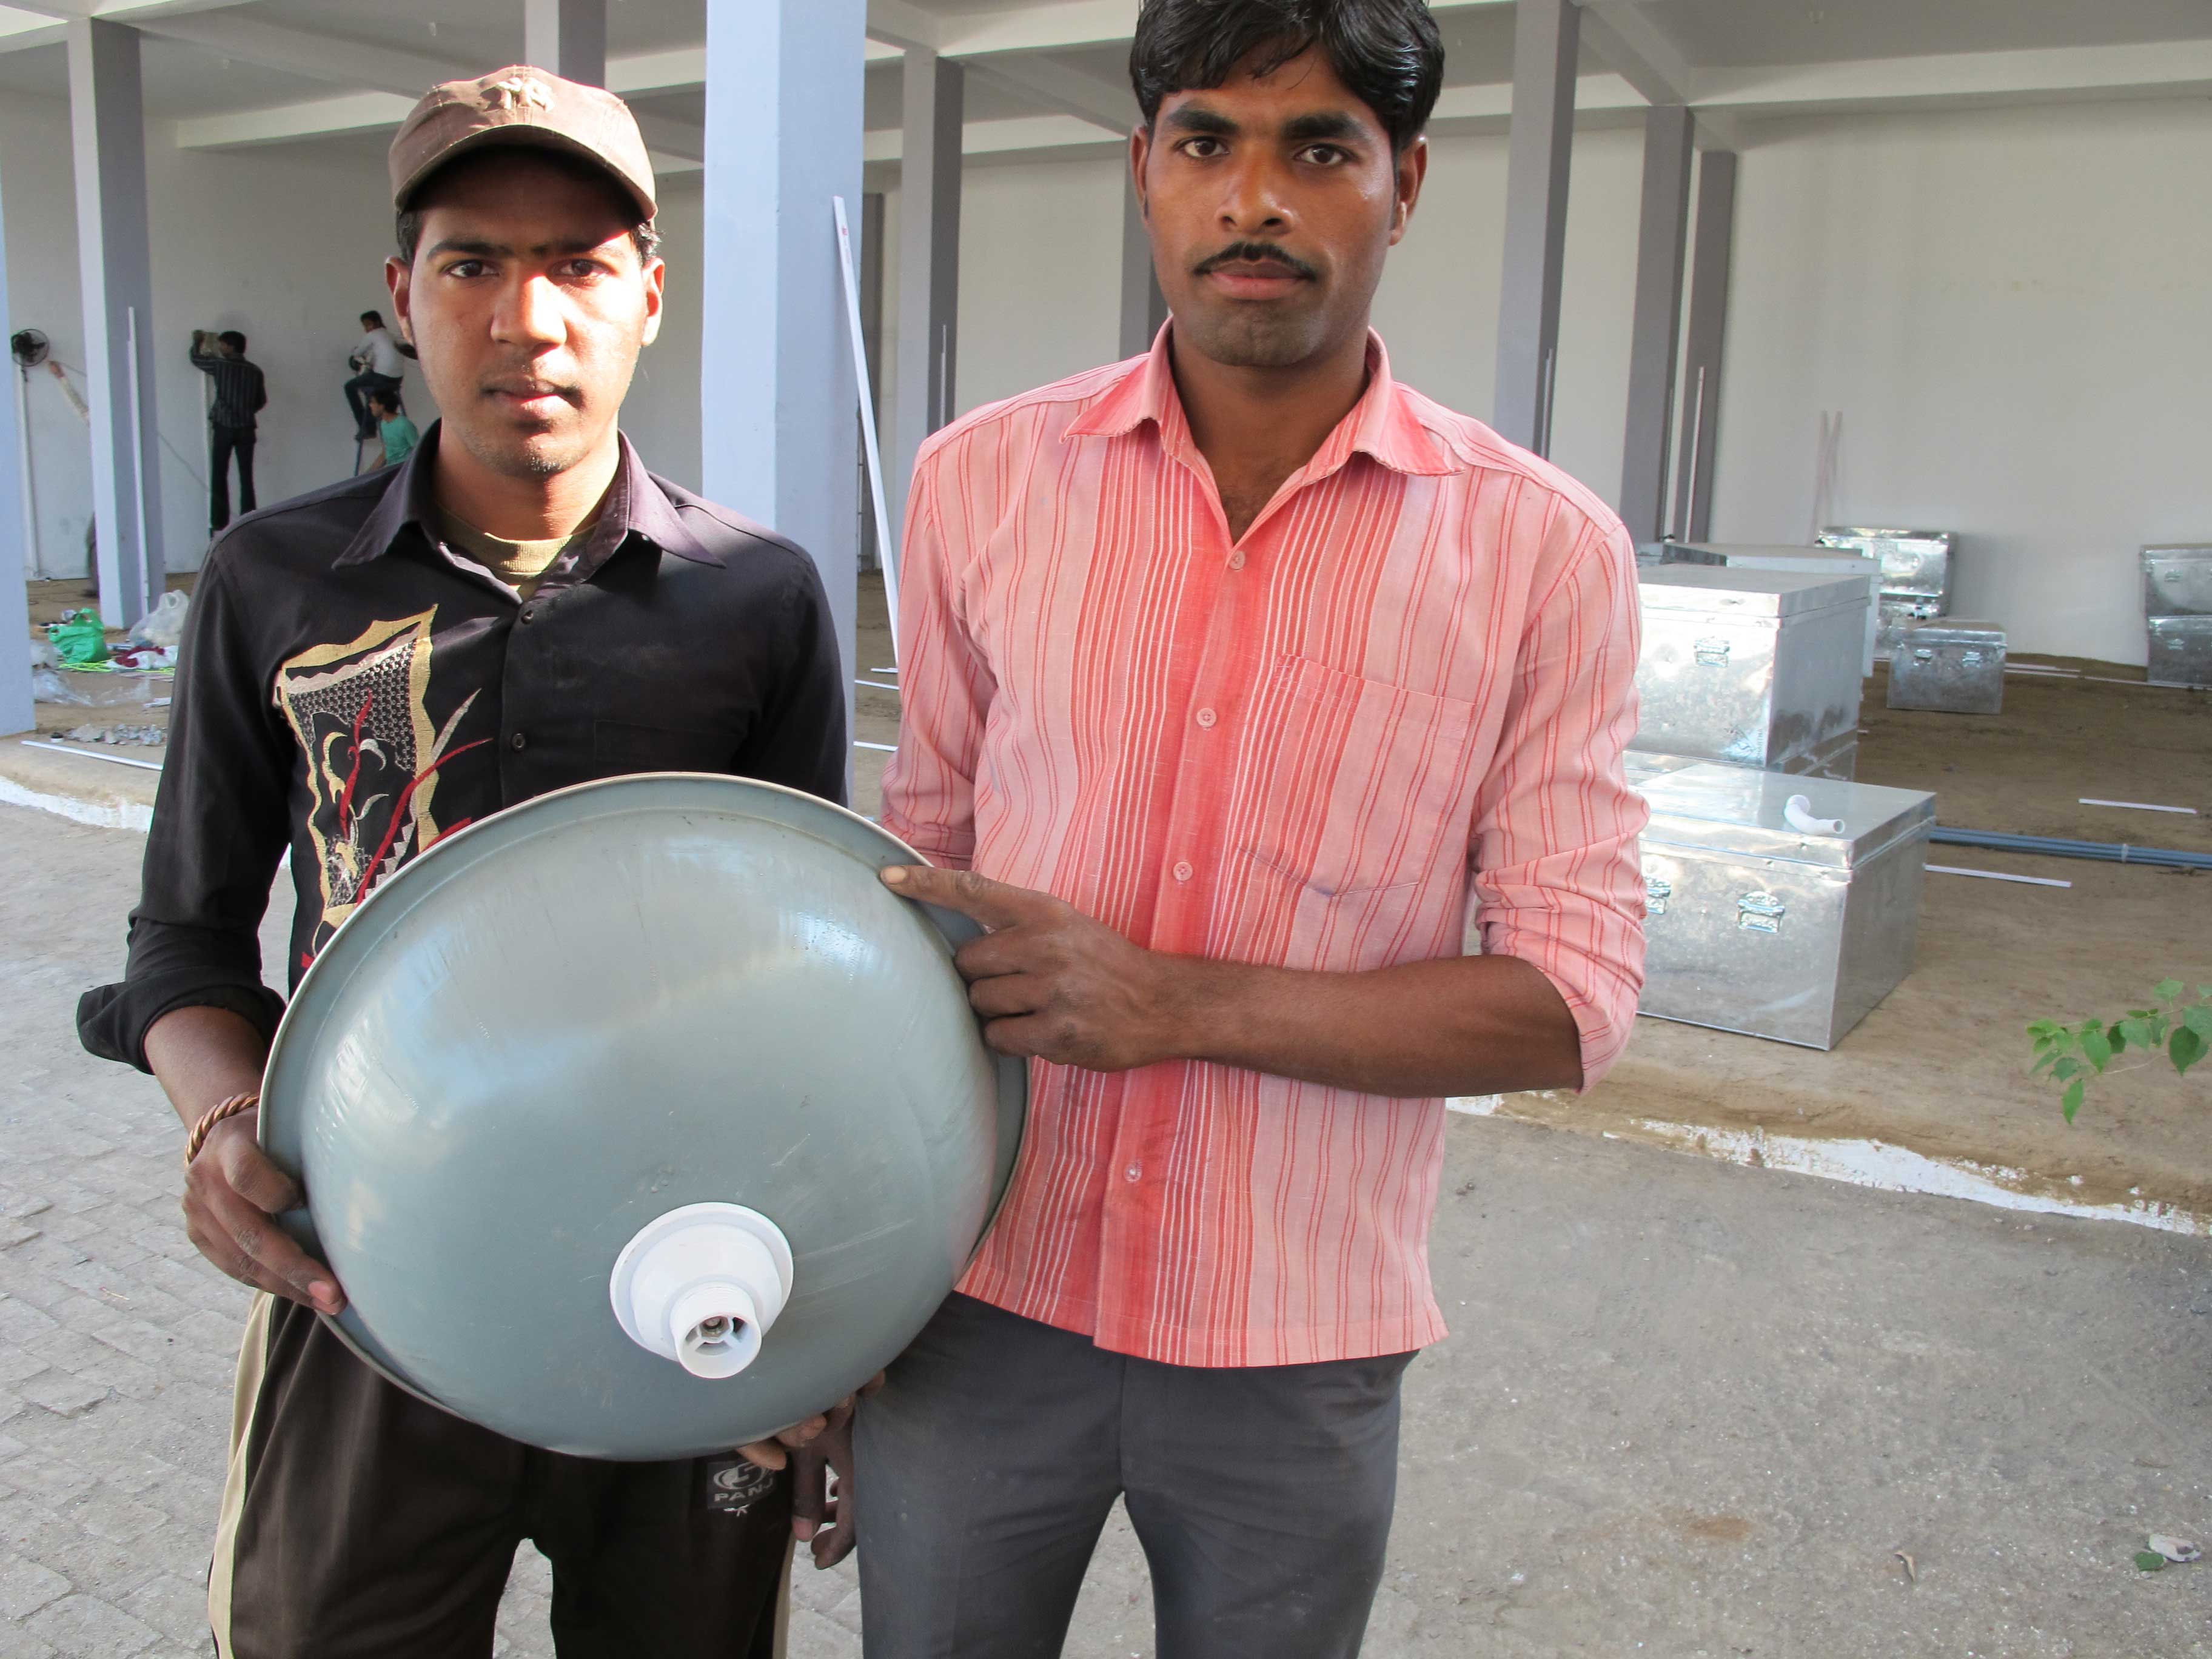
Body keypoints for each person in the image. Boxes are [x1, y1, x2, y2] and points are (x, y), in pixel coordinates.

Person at [859, 1, 1648, 1654]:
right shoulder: (977, 484)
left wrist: (1176, 1002)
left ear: (1404, 183)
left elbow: (1572, 1000)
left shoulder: (1540, 551)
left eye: (1321, 149)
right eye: (1208, 142)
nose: (1255, 198)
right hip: (977, 1292)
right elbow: (910, 891)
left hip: (1296, 1334)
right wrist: (835, 1288)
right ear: (1145, 168)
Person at [78, 65, 855, 1658]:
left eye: (577, 263)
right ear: (403, 292)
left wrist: (828, 1323)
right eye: (473, 263)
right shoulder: (274, 579)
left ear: (650, 296)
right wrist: (223, 1123)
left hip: (680, 1279)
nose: (526, 318)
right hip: (370, 1272)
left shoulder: (757, 599)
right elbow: (185, 942)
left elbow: (816, 997)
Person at [189, 329, 268, 533]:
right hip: (247, 428)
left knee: (219, 474)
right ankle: (249, 520)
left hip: (224, 426)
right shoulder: (255, 371)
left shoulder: (221, 365)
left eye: (223, 344)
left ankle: (219, 523)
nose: (221, 348)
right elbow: (261, 401)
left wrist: (197, 341)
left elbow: (196, 359)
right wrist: (246, 411)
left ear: (230, 347)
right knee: (246, 476)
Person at [344, 307, 409, 441]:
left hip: (382, 378)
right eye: (365, 326)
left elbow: (357, 353)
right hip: (397, 380)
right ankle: (372, 426)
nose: (367, 329)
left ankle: (367, 428)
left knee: (350, 387)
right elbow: (380, 357)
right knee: (372, 392)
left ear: (377, 323)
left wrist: (356, 355)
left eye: (368, 325)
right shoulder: (390, 335)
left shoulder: (374, 334)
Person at [366, 384, 418, 468]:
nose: (370, 405)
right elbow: (386, 452)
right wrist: (369, 473)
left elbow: (418, 450)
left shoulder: (404, 424)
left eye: (373, 402)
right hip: (391, 467)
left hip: (404, 467)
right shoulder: (383, 424)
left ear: (382, 406)